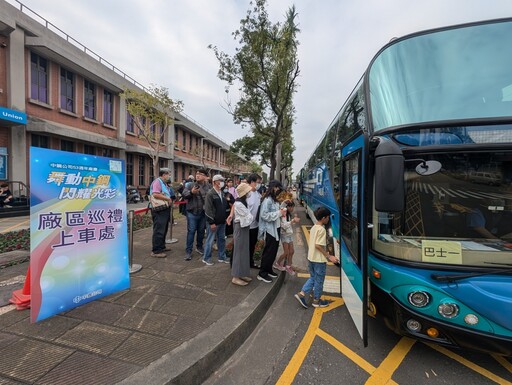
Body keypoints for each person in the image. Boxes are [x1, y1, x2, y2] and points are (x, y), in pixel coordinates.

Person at [294, 207, 339, 309]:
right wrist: (329, 256)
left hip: (311, 258)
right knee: (319, 280)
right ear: (324, 218)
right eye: (327, 218)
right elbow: (318, 245)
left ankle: (302, 294)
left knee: (313, 278)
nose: (328, 220)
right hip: (318, 260)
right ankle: (316, 301)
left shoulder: (314, 227)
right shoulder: (322, 229)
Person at [257, 179, 286, 283]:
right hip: (270, 230)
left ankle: (268, 269)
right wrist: (278, 213)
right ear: (274, 188)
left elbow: (275, 211)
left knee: (273, 251)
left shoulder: (274, 199)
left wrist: (281, 210)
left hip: (275, 228)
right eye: (278, 188)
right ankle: (262, 273)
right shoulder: (267, 200)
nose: (279, 191)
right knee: (268, 252)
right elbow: (264, 215)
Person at [182, 168, 211, 261]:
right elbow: (184, 194)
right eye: (197, 173)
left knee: (201, 231)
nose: (198, 175)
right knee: (191, 231)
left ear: (206, 177)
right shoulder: (190, 185)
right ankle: (188, 251)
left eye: (201, 174)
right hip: (192, 212)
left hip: (203, 213)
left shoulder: (209, 186)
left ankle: (199, 247)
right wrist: (191, 192)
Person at [203, 174, 229, 265]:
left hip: (222, 221)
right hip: (213, 222)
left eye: (222, 180)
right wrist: (211, 222)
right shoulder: (210, 194)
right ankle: (206, 258)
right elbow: (208, 209)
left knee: (222, 239)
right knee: (210, 240)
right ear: (214, 182)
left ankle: (222, 256)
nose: (222, 182)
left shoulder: (222, 193)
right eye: (220, 180)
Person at [231, 182, 254, 286]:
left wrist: (248, 217)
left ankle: (242, 273)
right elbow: (249, 217)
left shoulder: (243, 202)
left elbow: (249, 217)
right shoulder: (239, 204)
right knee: (239, 252)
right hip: (240, 228)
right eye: (248, 191)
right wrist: (248, 217)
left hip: (244, 227)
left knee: (244, 251)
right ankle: (235, 277)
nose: (249, 192)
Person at [149, 169, 174, 258]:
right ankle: (156, 251)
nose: (169, 176)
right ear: (164, 174)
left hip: (164, 208)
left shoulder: (164, 183)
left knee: (164, 228)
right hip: (159, 209)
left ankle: (161, 246)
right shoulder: (157, 182)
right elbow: (155, 194)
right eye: (168, 174)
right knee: (159, 229)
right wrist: (168, 199)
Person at [273, 200, 300, 275]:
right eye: (291, 207)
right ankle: (277, 263)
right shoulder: (284, 214)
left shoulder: (288, 214)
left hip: (289, 234)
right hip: (284, 235)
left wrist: (285, 201)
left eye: (293, 207)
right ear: (287, 207)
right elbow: (284, 226)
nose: (292, 209)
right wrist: (292, 221)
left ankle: (288, 266)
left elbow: (282, 205)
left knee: (292, 251)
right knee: (286, 252)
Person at [246, 173, 262, 269]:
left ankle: (250, 262)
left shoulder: (257, 193)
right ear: (252, 182)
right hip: (247, 226)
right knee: (245, 246)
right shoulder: (246, 194)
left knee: (252, 245)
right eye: (258, 182)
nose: (259, 184)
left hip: (255, 225)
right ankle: (244, 263)